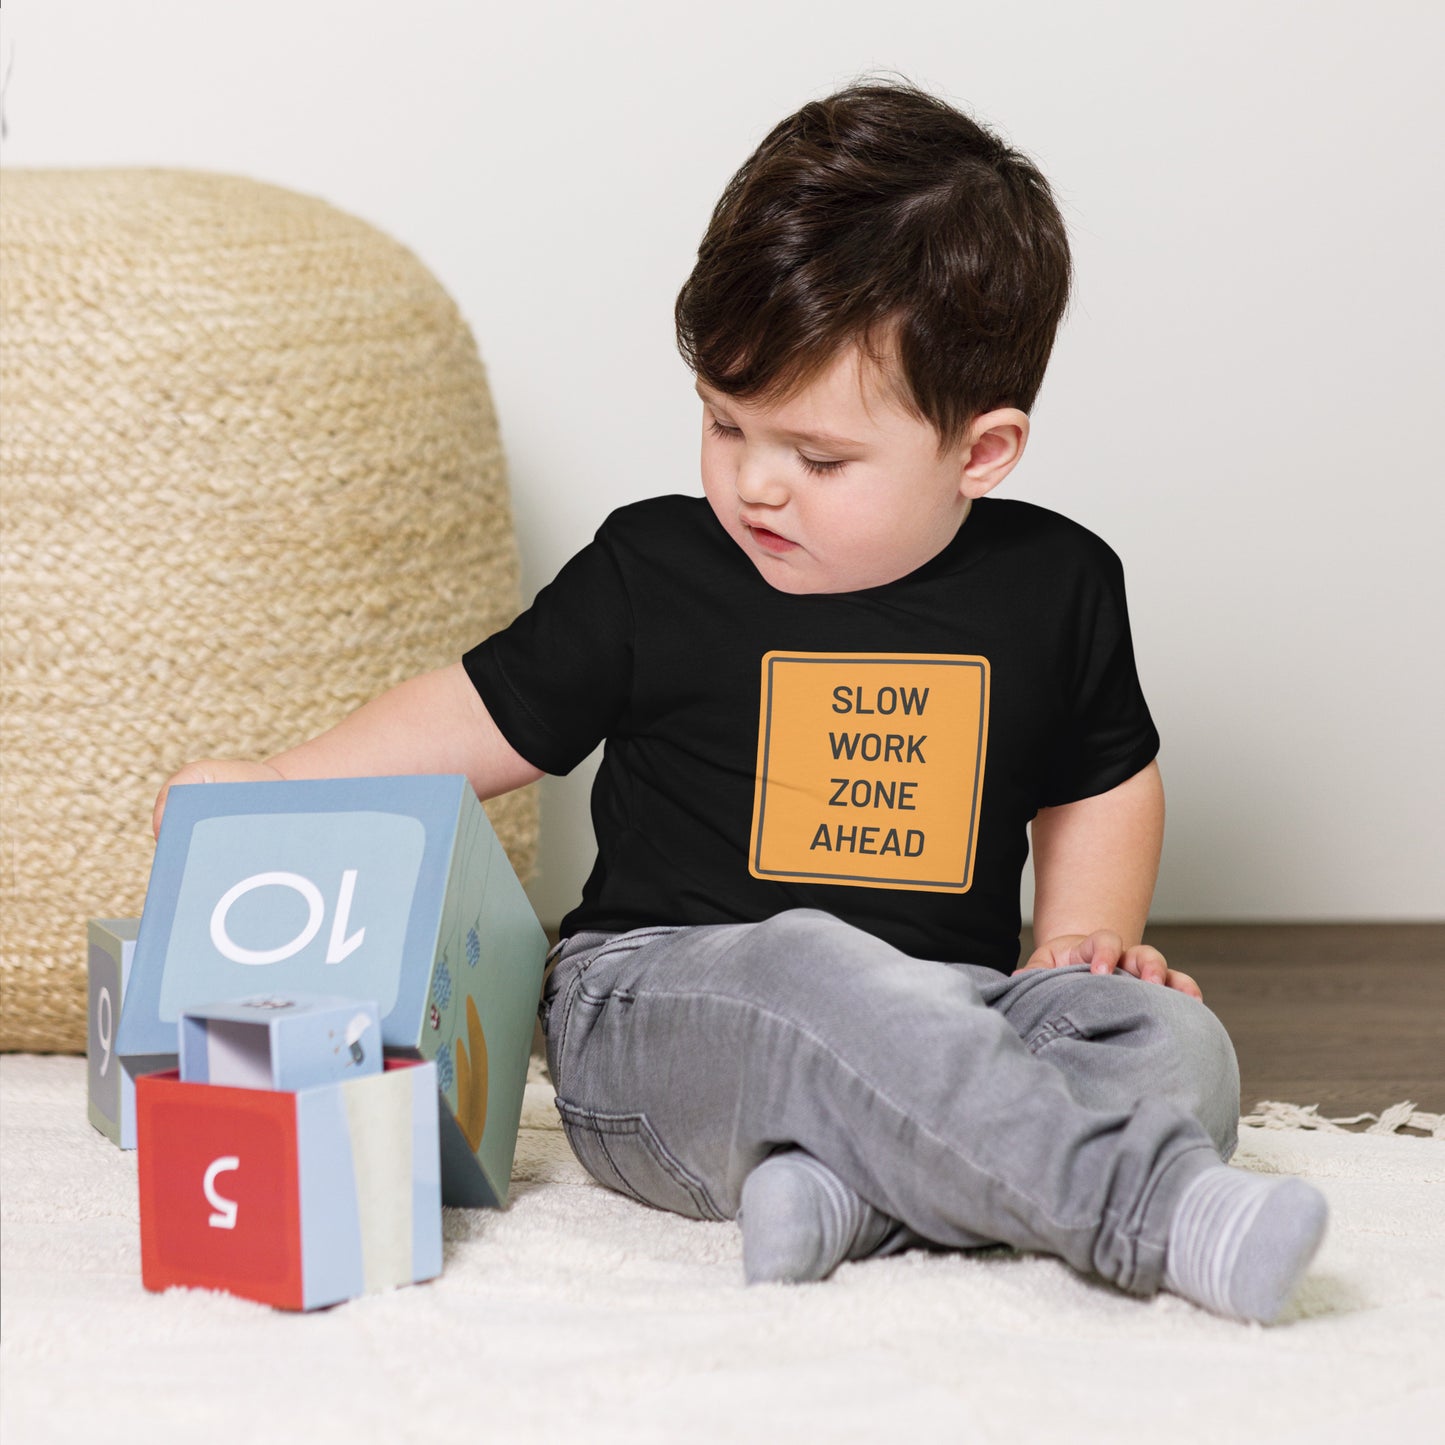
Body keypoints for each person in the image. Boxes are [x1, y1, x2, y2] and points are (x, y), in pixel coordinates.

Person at [155, 79, 1328, 1323]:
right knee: (811, 965)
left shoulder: (1056, 585)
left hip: (954, 1013)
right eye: (723, 423)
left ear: (978, 452)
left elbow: (1098, 773)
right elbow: (475, 714)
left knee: (1173, 1043)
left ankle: (853, 1197)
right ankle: (1133, 1206)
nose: (754, 484)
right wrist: (280, 786)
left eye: (817, 457)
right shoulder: (650, 571)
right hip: (664, 1008)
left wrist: (1073, 947)